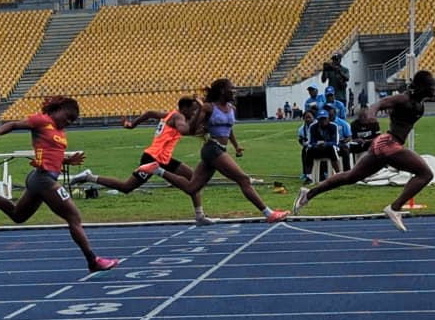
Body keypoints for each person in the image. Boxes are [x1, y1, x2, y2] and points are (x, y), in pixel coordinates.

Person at [0, 96, 119, 272]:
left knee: (18, 216)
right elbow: (13, 125)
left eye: (71, 121)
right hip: (44, 180)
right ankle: (92, 261)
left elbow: (50, 153)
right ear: (57, 110)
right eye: (66, 117)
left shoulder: (60, 131)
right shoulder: (42, 121)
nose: (68, 122)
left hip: (40, 178)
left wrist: (66, 161)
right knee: (74, 217)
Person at [293, 71, 435, 231]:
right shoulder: (403, 99)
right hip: (389, 144)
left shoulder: (421, 98)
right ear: (422, 87)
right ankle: (394, 208)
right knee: (425, 174)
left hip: (384, 144)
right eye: (432, 86)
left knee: (351, 177)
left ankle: (308, 194)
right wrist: (371, 114)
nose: (434, 89)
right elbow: (380, 103)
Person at [136, 78, 289, 223]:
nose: (234, 91)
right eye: (231, 88)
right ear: (222, 90)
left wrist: (236, 146)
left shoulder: (230, 108)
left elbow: (229, 128)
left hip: (219, 148)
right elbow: (192, 129)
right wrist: (200, 111)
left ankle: (157, 170)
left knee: (192, 187)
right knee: (243, 179)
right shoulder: (209, 107)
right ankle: (269, 214)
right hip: (212, 149)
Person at [70, 97, 215, 225]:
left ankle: (199, 215)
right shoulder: (178, 117)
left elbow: (150, 113)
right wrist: (201, 125)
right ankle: (88, 176)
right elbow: (184, 131)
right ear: (185, 108)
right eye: (194, 111)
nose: (195, 114)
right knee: (126, 187)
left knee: (193, 178)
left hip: (164, 159)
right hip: (152, 159)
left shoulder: (170, 114)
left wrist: (133, 124)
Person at [296, 111, 315, 183]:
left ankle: (323, 172)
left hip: (316, 145)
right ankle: (305, 172)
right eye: (306, 117)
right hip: (308, 146)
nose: (308, 119)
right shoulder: (301, 129)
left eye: (309, 117)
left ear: (313, 118)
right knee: (304, 152)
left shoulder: (317, 126)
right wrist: (303, 143)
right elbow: (300, 139)